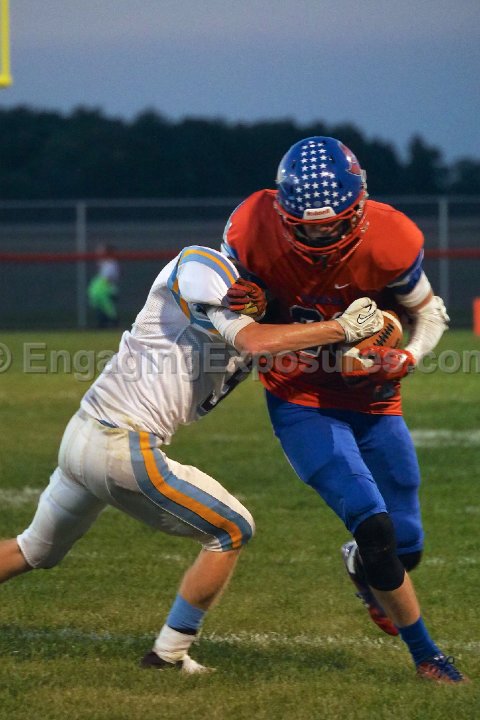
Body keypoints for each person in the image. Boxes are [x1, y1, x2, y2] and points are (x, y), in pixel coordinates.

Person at [0, 243, 383, 673]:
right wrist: (340, 328)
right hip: (121, 444)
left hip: (83, 435)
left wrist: (359, 352)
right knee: (232, 530)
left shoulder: (260, 317)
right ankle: (169, 653)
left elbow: (279, 347)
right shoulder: (203, 263)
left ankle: (169, 654)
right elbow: (252, 338)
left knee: (35, 549)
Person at [221, 136, 467, 684]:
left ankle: (361, 565)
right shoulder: (250, 227)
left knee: (406, 544)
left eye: (332, 225)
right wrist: (249, 299)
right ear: (282, 214)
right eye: (305, 226)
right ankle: (428, 656)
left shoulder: (391, 236)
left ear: (358, 206)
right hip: (302, 397)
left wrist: (407, 356)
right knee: (374, 525)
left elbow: (429, 312)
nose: (319, 236)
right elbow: (238, 316)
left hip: (374, 398)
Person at [87, 243, 120, 328]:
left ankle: (114, 322)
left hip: (108, 289)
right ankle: (103, 323)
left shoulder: (112, 264)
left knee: (108, 308)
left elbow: (108, 279)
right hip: (101, 289)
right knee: (101, 307)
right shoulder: (105, 263)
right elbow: (98, 257)